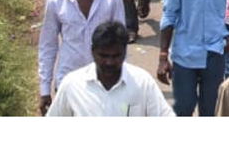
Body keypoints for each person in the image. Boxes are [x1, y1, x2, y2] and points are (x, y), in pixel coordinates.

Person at [37, 0, 126, 114]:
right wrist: (45, 90)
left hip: (106, 83)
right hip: (68, 82)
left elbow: (121, 43)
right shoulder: (56, 3)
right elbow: (47, 46)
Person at [45, 21, 174, 117]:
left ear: (124, 52)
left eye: (116, 56)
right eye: (103, 56)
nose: (109, 62)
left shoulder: (142, 82)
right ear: (93, 51)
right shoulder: (72, 85)